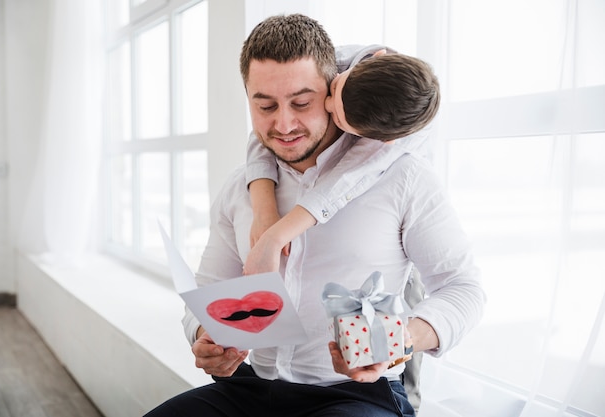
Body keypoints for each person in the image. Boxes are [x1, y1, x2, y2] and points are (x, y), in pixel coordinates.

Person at [145, 13, 485, 417]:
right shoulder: (243, 187)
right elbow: (210, 287)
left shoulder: (404, 176)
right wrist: (205, 335)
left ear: (332, 89)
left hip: (355, 396)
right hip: (249, 390)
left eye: (301, 103)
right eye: (265, 105)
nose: (284, 124)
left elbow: (463, 288)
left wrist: (396, 338)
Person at [244, 48, 440, 276]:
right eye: (334, 89)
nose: (326, 105)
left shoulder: (398, 148)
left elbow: (343, 182)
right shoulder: (331, 62)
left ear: (381, 141)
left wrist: (277, 235)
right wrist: (264, 211)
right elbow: (263, 131)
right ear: (378, 55)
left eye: (337, 118)